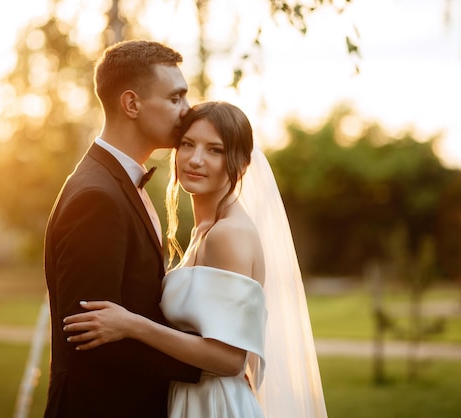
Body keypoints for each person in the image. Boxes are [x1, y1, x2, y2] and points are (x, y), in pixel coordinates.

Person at [63, 101, 328, 417]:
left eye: (215, 150)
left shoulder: (228, 235)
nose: (195, 159)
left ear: (242, 164)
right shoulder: (204, 230)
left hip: (215, 405)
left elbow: (230, 359)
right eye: (187, 144)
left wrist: (131, 325)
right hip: (190, 398)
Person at [42, 40, 201, 418]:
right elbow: (90, 337)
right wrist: (205, 363)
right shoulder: (97, 197)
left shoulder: (117, 184)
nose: (187, 111)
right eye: (176, 98)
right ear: (131, 104)